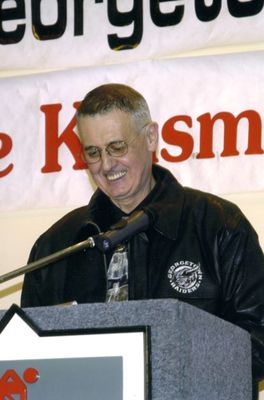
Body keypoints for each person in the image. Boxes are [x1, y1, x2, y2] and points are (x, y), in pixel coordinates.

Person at [21, 83, 264, 398]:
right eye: (92, 152)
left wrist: (170, 370)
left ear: (151, 137)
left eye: (117, 146)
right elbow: (31, 359)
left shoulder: (218, 224)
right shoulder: (56, 245)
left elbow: (258, 339)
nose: (106, 166)